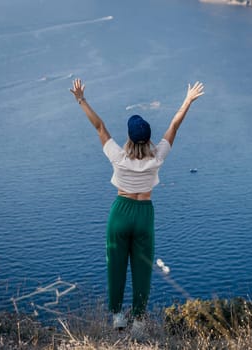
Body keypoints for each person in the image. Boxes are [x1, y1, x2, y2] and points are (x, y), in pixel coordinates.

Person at [70, 78, 204, 338]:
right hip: (144, 214)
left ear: (130, 137)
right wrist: (188, 100)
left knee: (116, 265)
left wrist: (81, 99)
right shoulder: (157, 157)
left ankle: (118, 317)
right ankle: (140, 321)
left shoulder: (118, 157)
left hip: (120, 212)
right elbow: (175, 125)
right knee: (142, 269)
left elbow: (99, 126)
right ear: (149, 137)